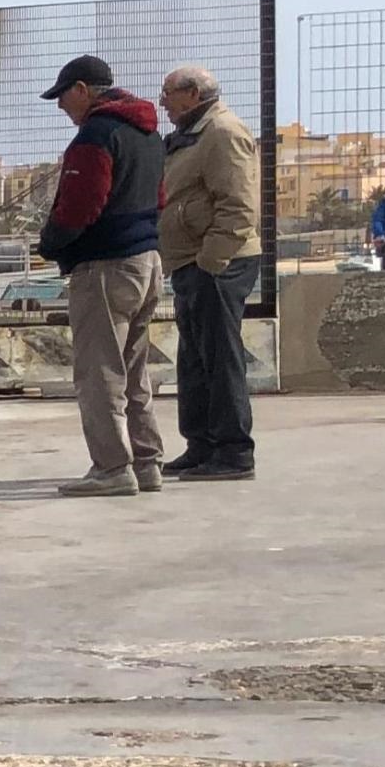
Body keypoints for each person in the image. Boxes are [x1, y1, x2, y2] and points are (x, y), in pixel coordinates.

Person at [35, 55, 166, 497]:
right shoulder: (149, 134)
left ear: (82, 90)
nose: (60, 108)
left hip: (105, 267)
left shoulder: (96, 135)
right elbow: (160, 197)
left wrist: (52, 243)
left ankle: (112, 468)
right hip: (147, 261)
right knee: (133, 369)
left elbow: (80, 206)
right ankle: (146, 462)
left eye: (62, 96)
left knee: (99, 373)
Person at [156, 64, 260, 481]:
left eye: (168, 93)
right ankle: (201, 445)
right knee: (195, 360)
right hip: (191, 261)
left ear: (193, 93)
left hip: (218, 262)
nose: (162, 101)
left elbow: (238, 205)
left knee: (220, 358)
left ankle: (234, 452)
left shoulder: (222, 133)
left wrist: (211, 261)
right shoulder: (190, 136)